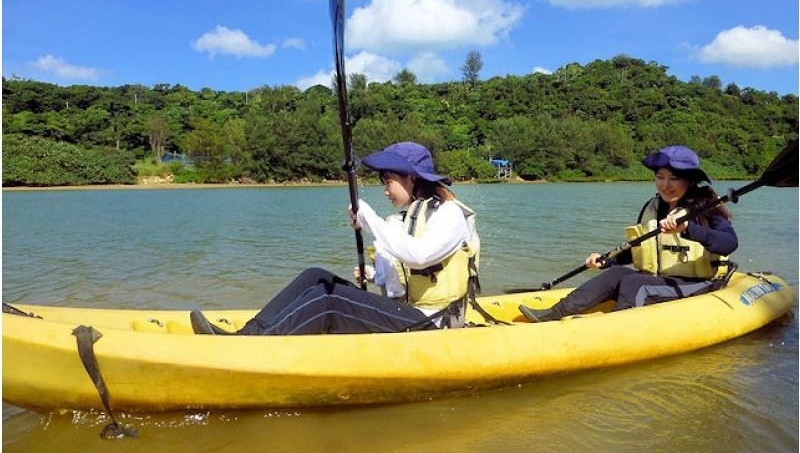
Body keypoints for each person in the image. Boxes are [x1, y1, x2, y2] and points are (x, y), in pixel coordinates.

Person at [190, 141, 479, 335]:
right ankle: (247, 335)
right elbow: (406, 277)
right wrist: (375, 274)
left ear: (411, 178)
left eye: (388, 181)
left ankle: (253, 348)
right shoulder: (409, 219)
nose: (385, 190)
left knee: (329, 299)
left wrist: (369, 220)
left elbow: (420, 255)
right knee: (315, 277)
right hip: (409, 312)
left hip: (433, 324)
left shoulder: (450, 214)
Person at [519, 145, 737, 322]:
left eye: (674, 178)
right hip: (659, 280)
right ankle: (552, 314)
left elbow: (729, 243)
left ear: (689, 180)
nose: (666, 185)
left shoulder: (707, 207)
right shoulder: (653, 207)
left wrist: (688, 229)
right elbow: (639, 248)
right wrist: (607, 261)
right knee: (615, 276)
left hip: (697, 284)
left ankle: (613, 329)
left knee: (634, 284)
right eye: (661, 177)